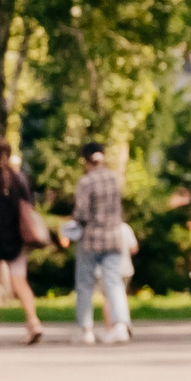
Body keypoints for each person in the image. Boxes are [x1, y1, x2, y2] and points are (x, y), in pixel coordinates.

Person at [0, 139, 45, 345]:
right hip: (16, 239)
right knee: (19, 281)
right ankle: (33, 320)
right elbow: (28, 209)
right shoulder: (19, 179)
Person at [69, 143, 129, 345]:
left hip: (91, 239)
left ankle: (85, 329)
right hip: (113, 237)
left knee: (85, 284)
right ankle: (120, 325)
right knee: (114, 283)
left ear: (85, 160)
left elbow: (82, 214)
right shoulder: (114, 179)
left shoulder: (86, 182)